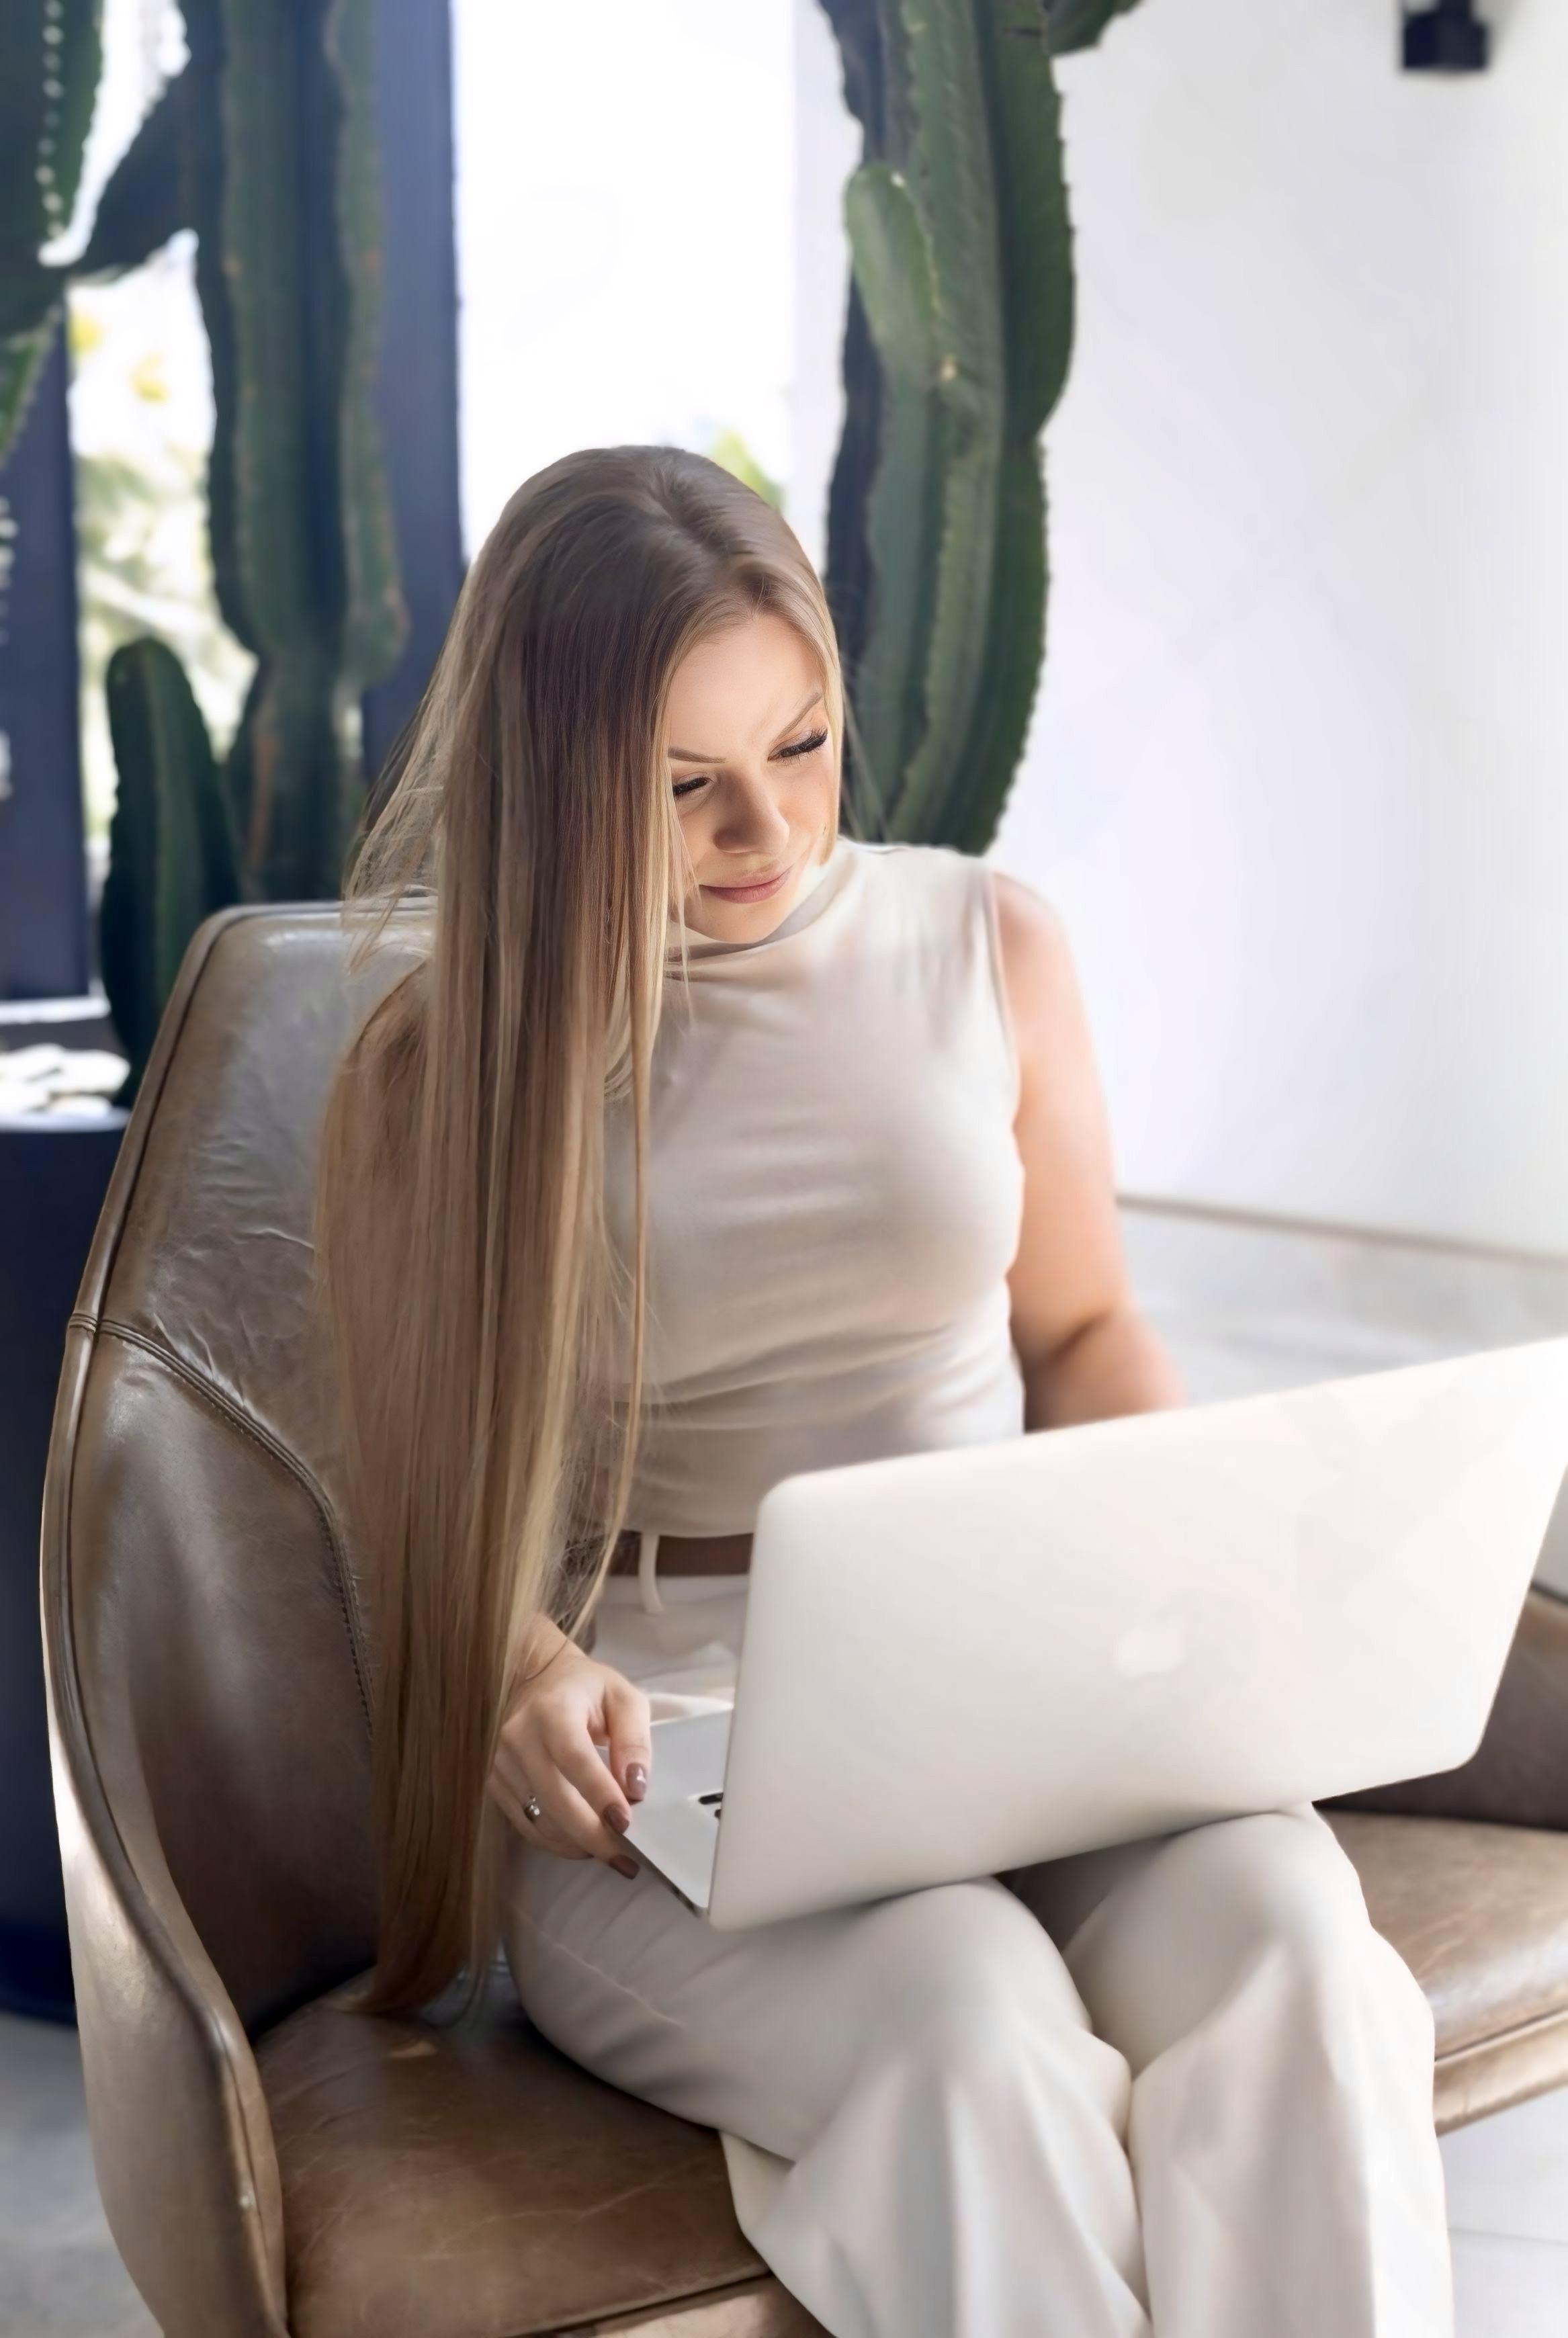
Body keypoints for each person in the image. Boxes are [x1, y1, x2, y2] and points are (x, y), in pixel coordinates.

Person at [314, 445, 1454, 2338]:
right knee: (966, 2036)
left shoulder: (984, 943)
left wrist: (1201, 1557)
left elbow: (1081, 1331)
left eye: (806, 746)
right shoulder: (441, 1076)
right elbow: (409, 1501)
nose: (765, 827)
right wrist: (520, 1672)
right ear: (556, 784)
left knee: (1303, 1964)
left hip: (1033, 1681)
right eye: (684, 788)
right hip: (671, 1767)